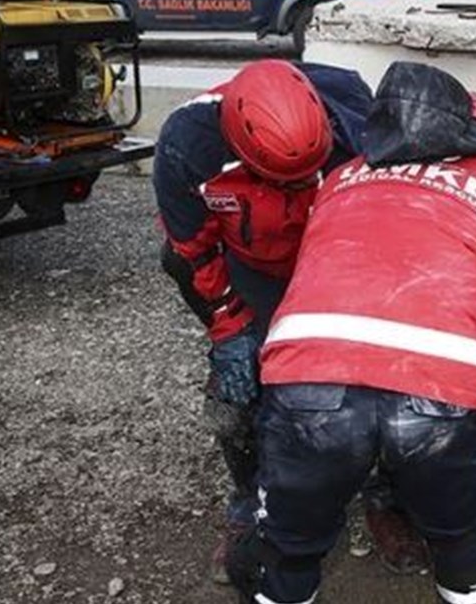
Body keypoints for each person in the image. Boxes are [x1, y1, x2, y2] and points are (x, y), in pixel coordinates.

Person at [228, 62, 476, 604]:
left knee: (287, 552)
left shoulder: (342, 179)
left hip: (308, 385)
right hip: (442, 393)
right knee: (462, 546)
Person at [152, 59, 432, 582]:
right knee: (236, 396)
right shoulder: (186, 145)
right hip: (252, 267)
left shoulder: (358, 130)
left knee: (376, 385)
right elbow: (192, 251)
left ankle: (385, 498)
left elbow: (389, 224)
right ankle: (248, 504)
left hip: (336, 262)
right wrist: (228, 330)